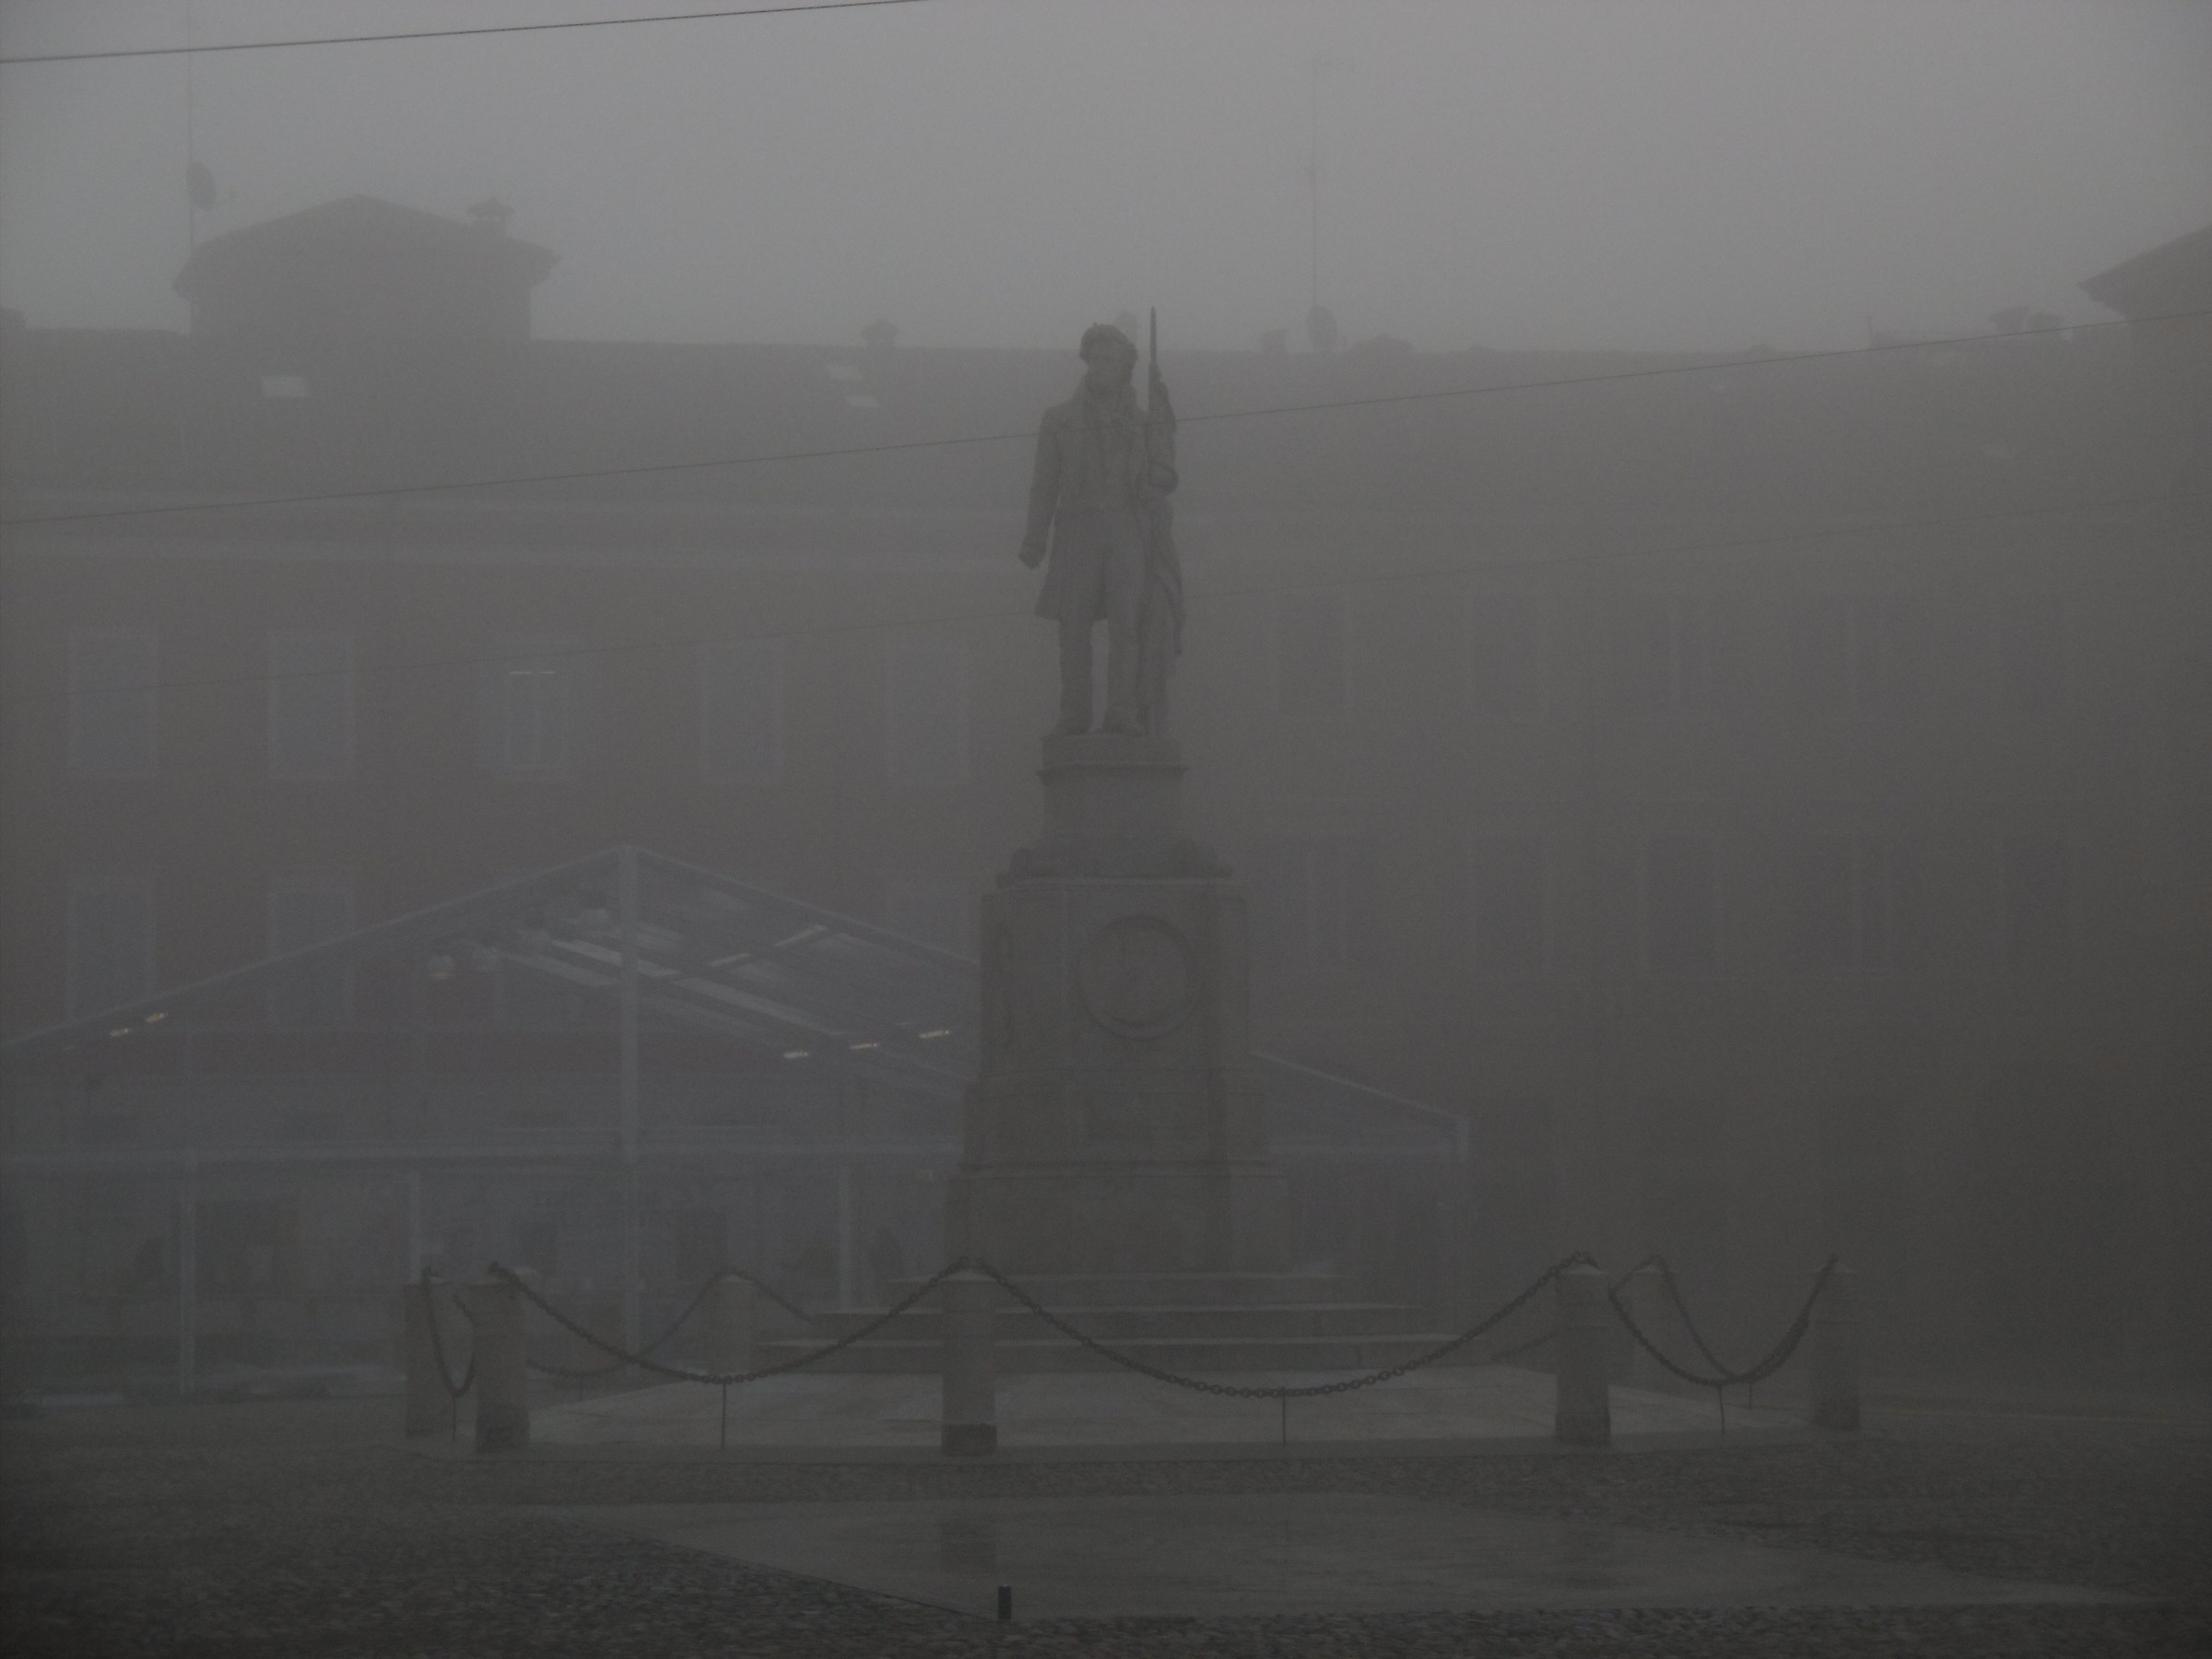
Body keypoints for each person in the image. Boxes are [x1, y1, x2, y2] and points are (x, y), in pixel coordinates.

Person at [1019, 323, 1181, 735]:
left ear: (1125, 366)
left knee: (1127, 623)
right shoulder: (1059, 420)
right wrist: (1034, 538)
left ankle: (1122, 712)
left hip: (1127, 530)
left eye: (1109, 359)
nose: (1100, 366)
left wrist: (1156, 478)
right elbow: (1044, 484)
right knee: (1073, 626)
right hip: (1078, 529)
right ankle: (1074, 713)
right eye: (1095, 358)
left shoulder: (1145, 423)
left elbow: (1164, 474)